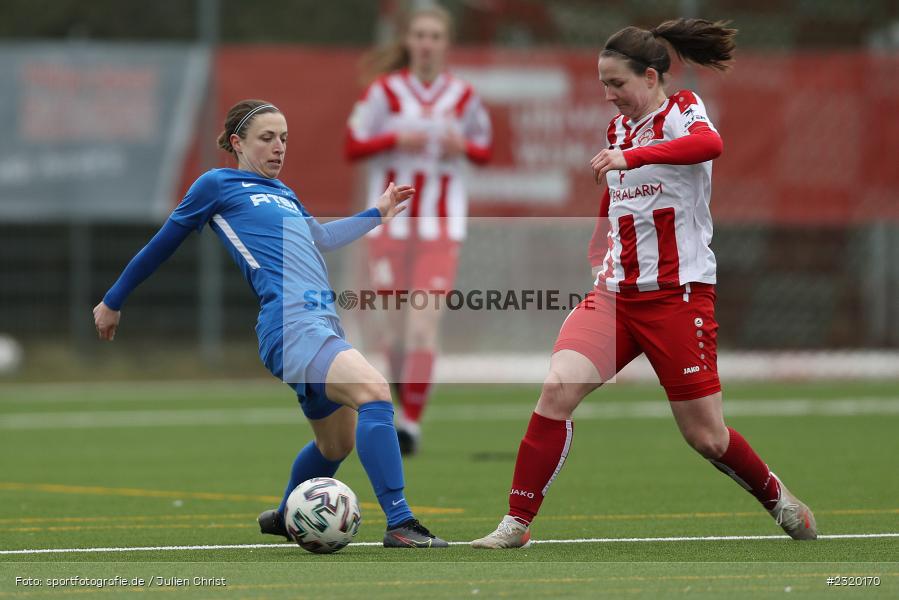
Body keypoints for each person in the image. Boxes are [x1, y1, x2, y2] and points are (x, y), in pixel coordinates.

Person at [472, 18, 817, 549]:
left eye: (618, 84)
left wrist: (630, 158)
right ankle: (515, 524)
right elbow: (616, 201)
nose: (610, 96)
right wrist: (598, 249)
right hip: (615, 296)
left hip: (678, 298)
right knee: (556, 389)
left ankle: (778, 498)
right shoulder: (619, 132)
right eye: (603, 85)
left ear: (652, 77)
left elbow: (710, 144)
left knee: (706, 436)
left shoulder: (682, 111)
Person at [93, 99, 449, 548]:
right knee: (376, 392)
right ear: (237, 143)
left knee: (335, 446)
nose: (279, 147)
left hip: (321, 323)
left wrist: (376, 213)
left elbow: (321, 238)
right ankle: (400, 522)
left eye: (283, 138)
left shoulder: (285, 192)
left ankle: (286, 516)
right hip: (291, 324)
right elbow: (162, 244)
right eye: (267, 138)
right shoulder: (216, 184)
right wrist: (113, 300)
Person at [345, 4, 492, 455]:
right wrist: (392, 139)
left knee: (423, 327)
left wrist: (460, 145)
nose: (427, 43)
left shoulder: (463, 96)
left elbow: (483, 149)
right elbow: (353, 145)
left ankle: (409, 422)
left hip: (440, 226)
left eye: (435, 36)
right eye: (420, 35)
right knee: (391, 328)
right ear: (408, 41)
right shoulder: (385, 93)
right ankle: (396, 409)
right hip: (389, 225)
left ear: (445, 44)